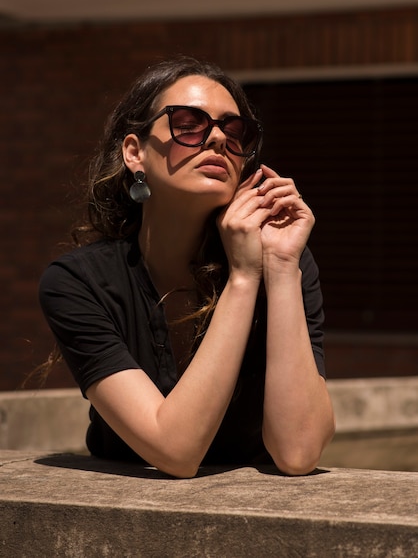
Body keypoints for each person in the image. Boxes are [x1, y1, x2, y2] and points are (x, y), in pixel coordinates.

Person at [39, 55, 335, 478]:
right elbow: (176, 451)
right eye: (188, 123)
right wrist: (244, 278)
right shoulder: (77, 282)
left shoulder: (285, 260)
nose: (217, 139)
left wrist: (282, 267)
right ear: (135, 153)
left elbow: (299, 452)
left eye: (235, 130)